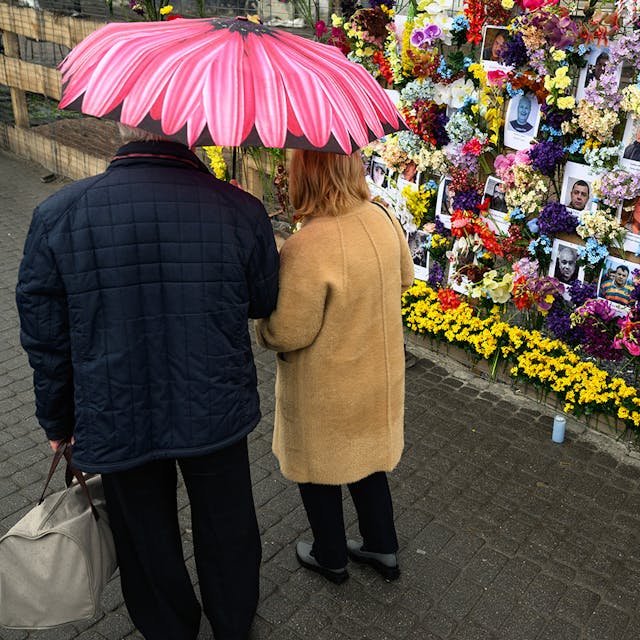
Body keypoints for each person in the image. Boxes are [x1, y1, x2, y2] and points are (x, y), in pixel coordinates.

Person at [16, 124, 279, 639]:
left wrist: (57, 417)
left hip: (115, 407)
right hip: (214, 401)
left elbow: (46, 335)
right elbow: (262, 302)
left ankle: (169, 627)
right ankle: (232, 622)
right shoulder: (241, 210)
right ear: (190, 132)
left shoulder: (59, 215)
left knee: (143, 533)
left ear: (122, 126)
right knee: (227, 525)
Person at [255, 150, 414, 586]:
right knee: (368, 460)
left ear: (303, 174)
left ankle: (331, 555)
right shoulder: (382, 218)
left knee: (318, 466)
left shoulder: (306, 246)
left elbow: (288, 332)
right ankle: (383, 546)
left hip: (327, 386)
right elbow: (405, 277)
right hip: (377, 376)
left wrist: (262, 327)